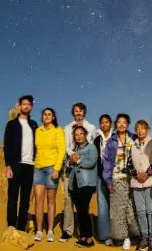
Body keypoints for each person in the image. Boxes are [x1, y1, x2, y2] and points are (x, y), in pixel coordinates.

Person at [102, 113, 140, 250]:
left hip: (133, 180)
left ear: (128, 124)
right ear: (115, 124)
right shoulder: (111, 141)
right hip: (117, 178)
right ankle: (124, 238)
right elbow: (106, 162)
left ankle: (136, 235)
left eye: (124, 122)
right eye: (119, 122)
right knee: (118, 210)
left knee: (131, 209)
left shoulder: (134, 138)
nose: (122, 124)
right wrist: (108, 180)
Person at [61, 102, 98, 242]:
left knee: (84, 205)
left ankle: (84, 233)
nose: (78, 113)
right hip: (71, 167)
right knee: (69, 200)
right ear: (73, 113)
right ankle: (68, 231)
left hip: (85, 172)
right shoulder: (67, 128)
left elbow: (92, 147)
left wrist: (79, 159)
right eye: (76, 111)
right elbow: (67, 147)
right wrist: (73, 156)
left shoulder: (91, 128)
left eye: (81, 111)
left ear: (84, 112)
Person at [4, 95, 38, 231]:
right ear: (19, 106)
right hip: (16, 165)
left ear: (31, 107)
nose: (26, 106)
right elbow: (7, 145)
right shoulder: (11, 124)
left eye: (29, 104)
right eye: (24, 104)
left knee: (25, 200)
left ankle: (21, 228)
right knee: (13, 198)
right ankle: (11, 227)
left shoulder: (34, 124)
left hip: (30, 165)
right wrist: (8, 165)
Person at [33, 107, 65, 242]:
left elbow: (61, 150)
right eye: (44, 114)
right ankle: (39, 231)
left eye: (49, 114)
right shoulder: (37, 131)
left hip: (52, 168)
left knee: (50, 200)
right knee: (38, 199)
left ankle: (50, 230)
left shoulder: (58, 130)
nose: (46, 116)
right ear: (42, 117)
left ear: (53, 117)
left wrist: (57, 169)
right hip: (38, 168)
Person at [127, 120, 152, 251]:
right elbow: (129, 164)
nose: (140, 131)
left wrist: (146, 174)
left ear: (148, 130)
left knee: (151, 211)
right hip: (136, 183)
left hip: (150, 181)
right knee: (140, 212)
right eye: (137, 128)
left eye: (142, 128)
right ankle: (145, 237)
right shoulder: (132, 145)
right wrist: (136, 175)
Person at [67, 125, 98, 248]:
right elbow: (69, 165)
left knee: (84, 210)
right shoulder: (75, 150)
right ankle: (83, 236)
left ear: (85, 135)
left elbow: (91, 162)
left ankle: (89, 239)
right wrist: (70, 161)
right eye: (76, 134)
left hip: (86, 183)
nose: (79, 136)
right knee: (79, 211)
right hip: (74, 184)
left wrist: (78, 161)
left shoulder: (91, 147)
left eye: (81, 134)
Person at [93, 114, 114, 245]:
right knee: (102, 206)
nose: (104, 124)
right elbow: (96, 159)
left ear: (110, 124)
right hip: (100, 176)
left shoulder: (116, 138)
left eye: (106, 122)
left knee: (116, 206)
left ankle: (118, 234)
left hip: (115, 177)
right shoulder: (97, 140)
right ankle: (106, 236)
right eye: (102, 123)